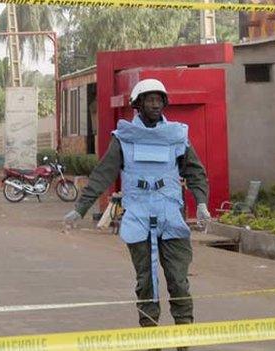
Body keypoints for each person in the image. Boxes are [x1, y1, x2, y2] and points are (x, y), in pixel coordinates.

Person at [64, 79, 210, 351]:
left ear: (164, 103)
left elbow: (195, 172)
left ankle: (184, 341)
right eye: (149, 99)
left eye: (159, 99)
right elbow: (103, 173)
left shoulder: (177, 135)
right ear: (138, 104)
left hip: (171, 215)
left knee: (178, 280)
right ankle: (150, 340)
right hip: (139, 214)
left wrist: (201, 203)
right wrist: (80, 208)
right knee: (146, 282)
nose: (155, 104)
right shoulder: (124, 138)